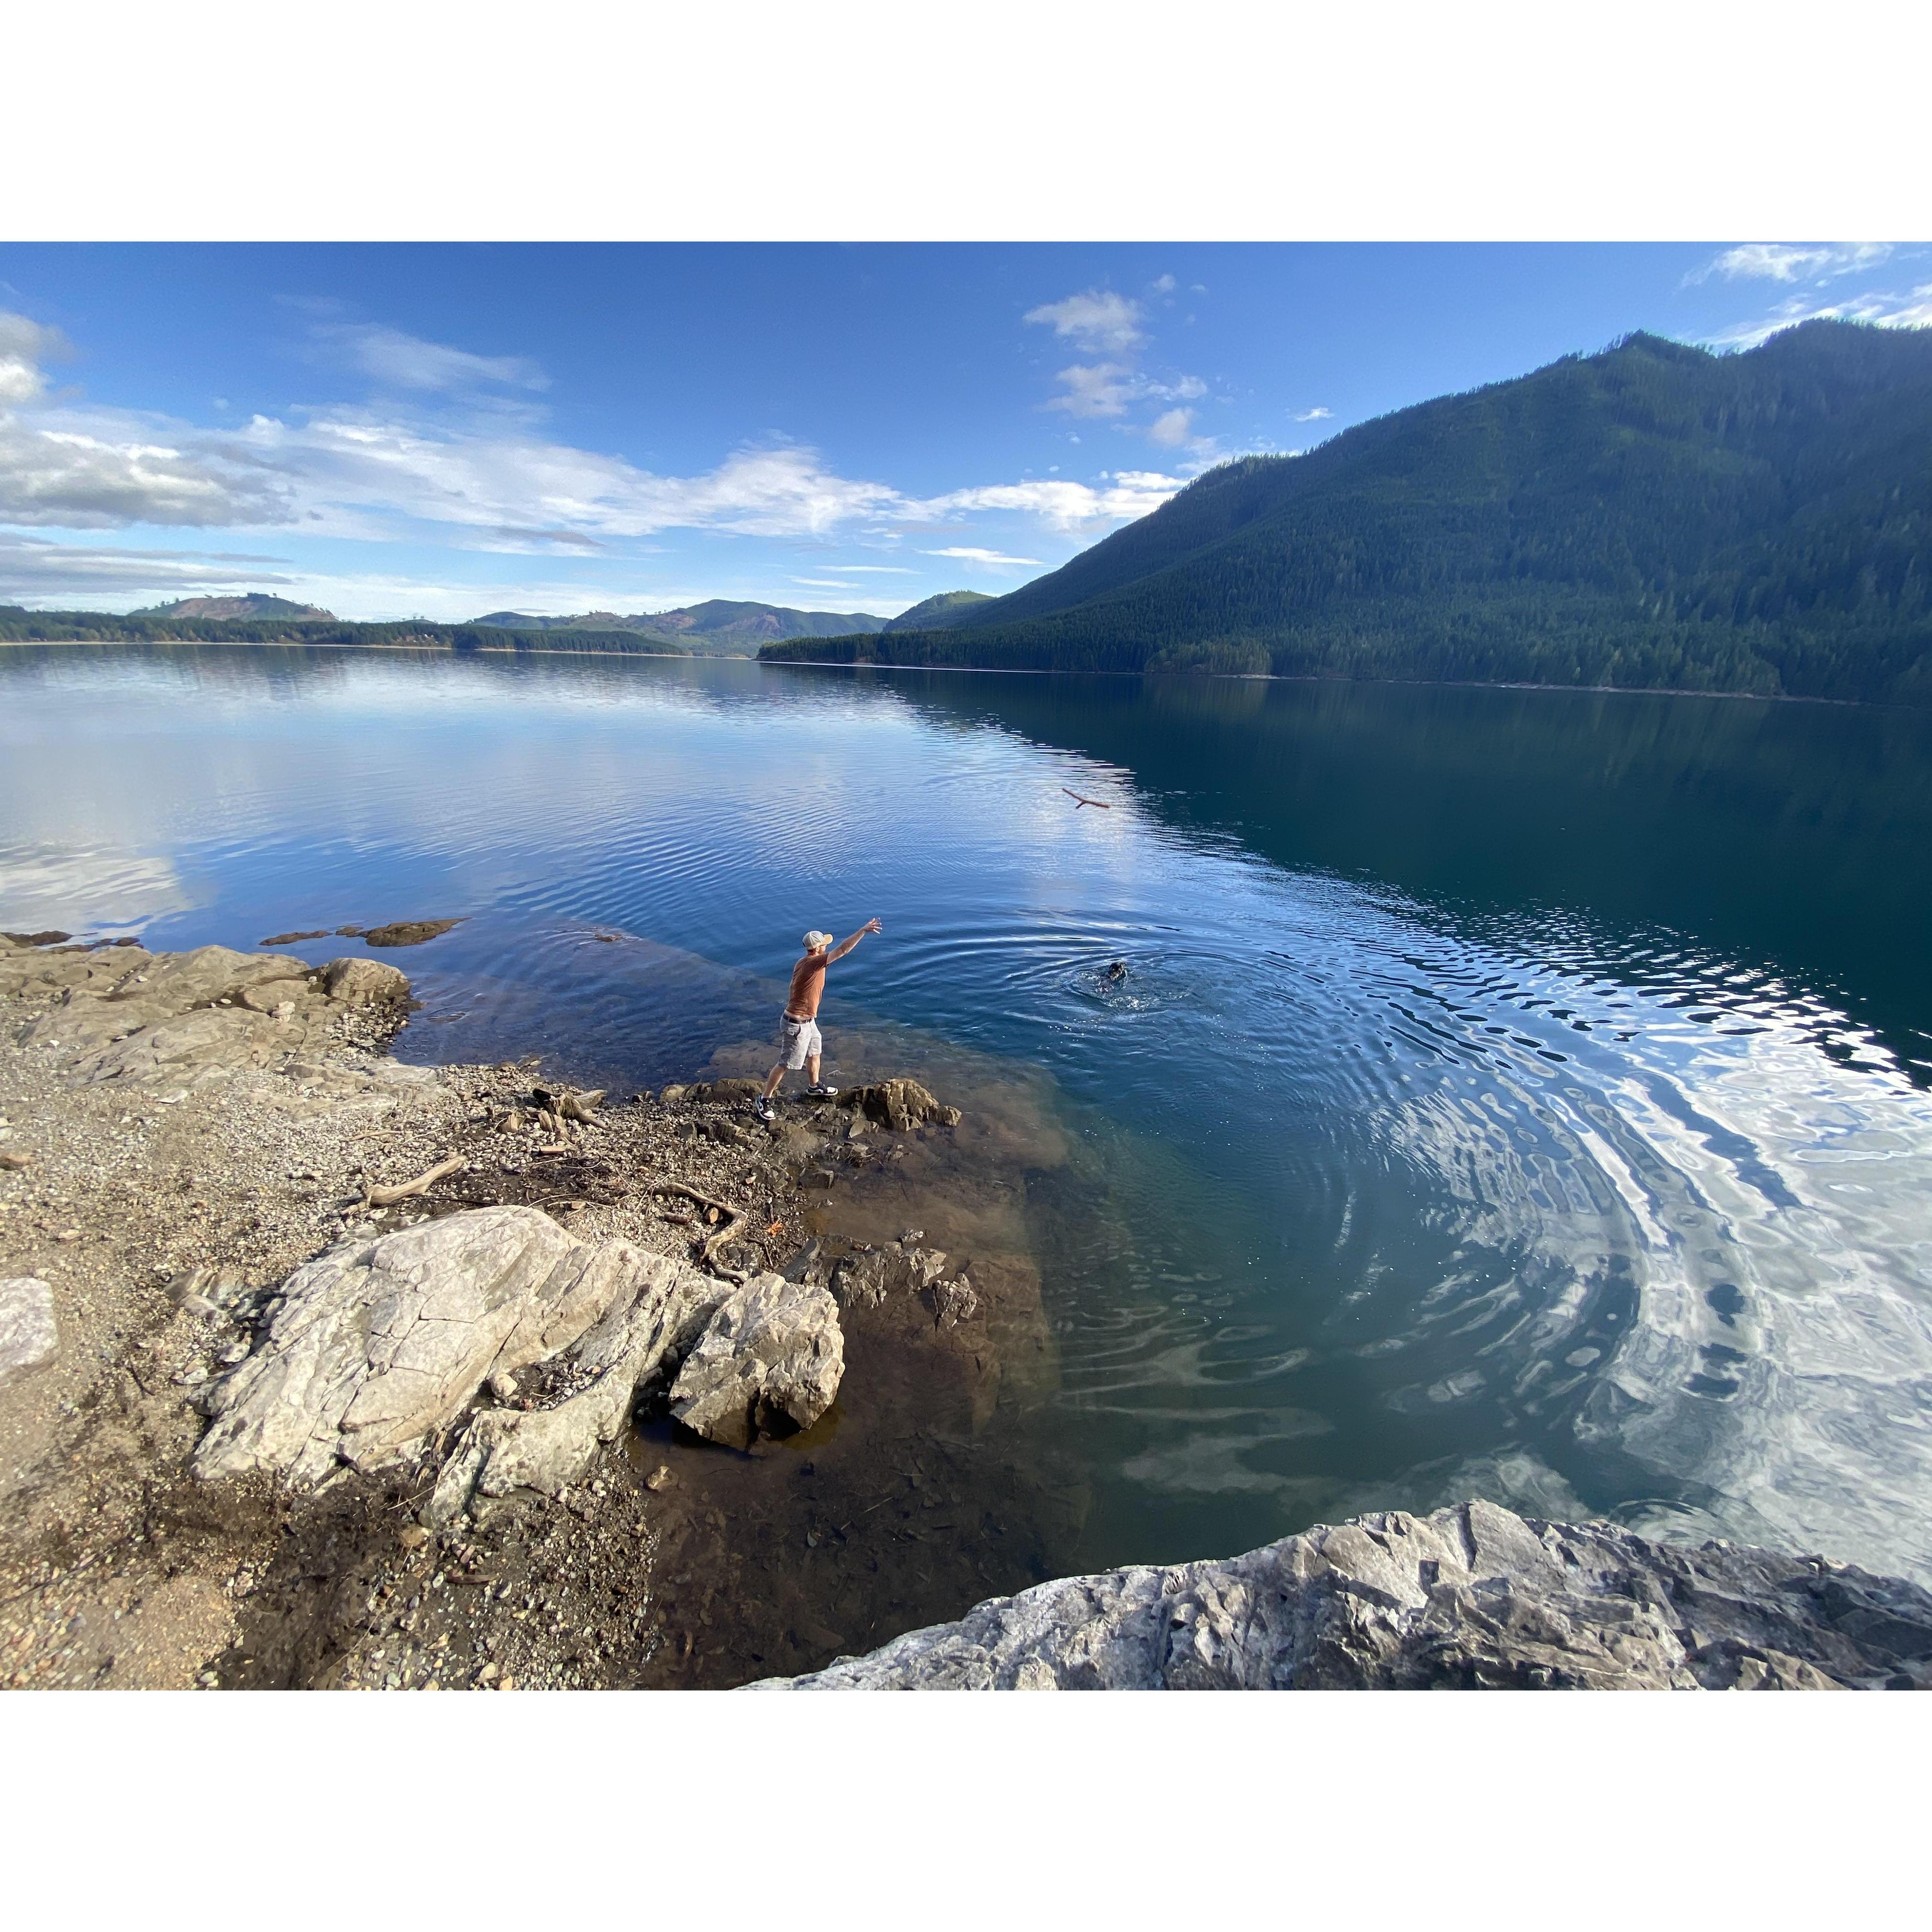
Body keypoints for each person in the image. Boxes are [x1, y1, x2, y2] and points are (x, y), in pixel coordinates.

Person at [755, 919, 882, 1121]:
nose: (827, 946)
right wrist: (863, 931)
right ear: (816, 948)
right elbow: (843, 950)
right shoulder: (814, 963)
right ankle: (764, 1099)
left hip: (809, 1022)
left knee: (815, 1052)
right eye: (824, 944)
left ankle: (814, 1086)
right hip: (796, 1025)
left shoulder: (803, 962)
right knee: (785, 1063)